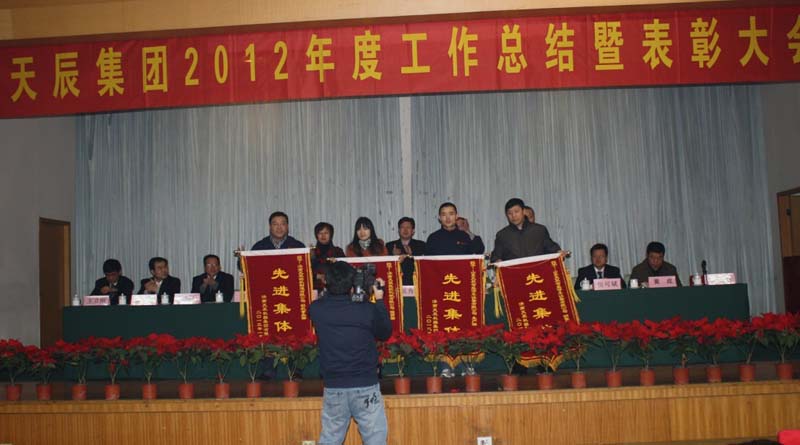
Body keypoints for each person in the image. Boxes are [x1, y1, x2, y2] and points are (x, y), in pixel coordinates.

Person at [309, 261, 392, 445]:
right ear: (352, 282)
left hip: (334, 386)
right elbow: (384, 333)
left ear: (326, 282)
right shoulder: (366, 309)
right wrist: (378, 299)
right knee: (375, 439)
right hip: (365, 384)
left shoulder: (316, 309)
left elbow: (328, 301)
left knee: (330, 438)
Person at [490, 198, 562, 262]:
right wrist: (497, 260)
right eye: (509, 213)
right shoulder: (502, 235)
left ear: (523, 211)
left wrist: (558, 252)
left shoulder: (539, 230)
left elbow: (551, 247)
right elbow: (496, 255)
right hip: (514, 272)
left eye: (516, 211)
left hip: (537, 271)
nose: (513, 216)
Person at [385, 217, 426, 286]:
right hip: (396, 283)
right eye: (402, 227)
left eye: (408, 227)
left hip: (416, 283)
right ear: (399, 230)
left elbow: (425, 267)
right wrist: (394, 257)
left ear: (413, 231)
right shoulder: (390, 246)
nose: (405, 230)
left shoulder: (421, 245)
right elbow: (387, 268)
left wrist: (412, 255)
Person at [311, 222, 345, 290]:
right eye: (320, 233)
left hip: (335, 289)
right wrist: (317, 276)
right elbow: (303, 273)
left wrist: (336, 265)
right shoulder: (311, 252)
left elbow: (346, 272)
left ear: (331, 235)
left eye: (326, 233)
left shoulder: (338, 251)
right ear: (316, 235)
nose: (323, 236)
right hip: (315, 290)